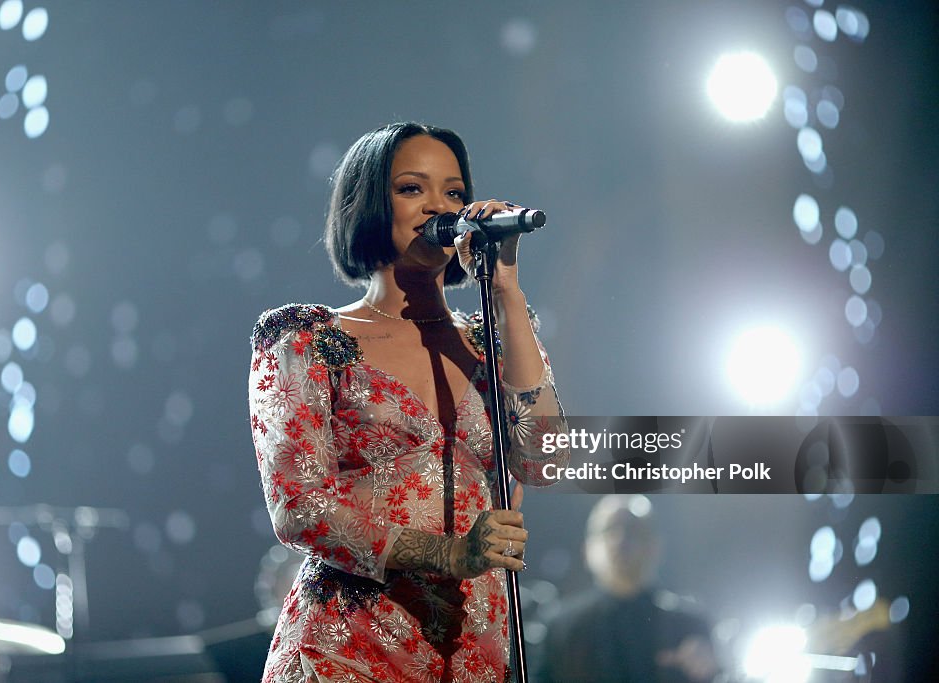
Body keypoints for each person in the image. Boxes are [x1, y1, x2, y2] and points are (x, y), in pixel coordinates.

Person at [248, 122, 568, 682]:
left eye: (454, 192)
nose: (438, 207)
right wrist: (446, 554)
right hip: (350, 645)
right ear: (368, 204)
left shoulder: (491, 340)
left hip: (472, 647)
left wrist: (506, 292)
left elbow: (545, 460)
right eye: (412, 189)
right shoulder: (308, 339)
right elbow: (298, 506)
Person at [533, 495, 719, 682]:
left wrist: (709, 671)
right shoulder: (560, 628)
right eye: (609, 530)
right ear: (587, 549)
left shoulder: (689, 626)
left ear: (656, 546)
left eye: (633, 530)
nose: (620, 540)